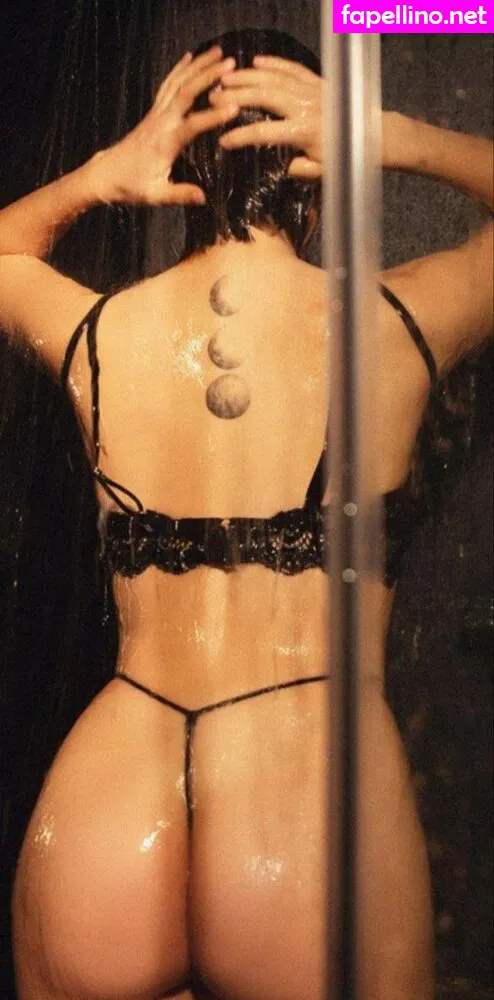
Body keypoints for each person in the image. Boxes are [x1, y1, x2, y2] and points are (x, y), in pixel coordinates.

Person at [1, 27, 492, 1000]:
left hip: (115, 779)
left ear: (179, 165)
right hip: (302, 786)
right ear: (319, 176)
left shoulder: (101, 329)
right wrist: (392, 134)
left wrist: (98, 176)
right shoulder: (392, 322)